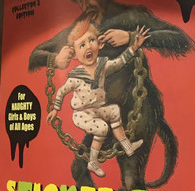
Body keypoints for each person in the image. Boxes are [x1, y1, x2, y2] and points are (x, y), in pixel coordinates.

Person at [29, 0, 195, 191]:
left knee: (132, 181)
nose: (87, 3)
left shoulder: (131, 16)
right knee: (79, 167)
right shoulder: (80, 30)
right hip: (103, 114)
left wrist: (132, 37)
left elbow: (181, 39)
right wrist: (55, 57)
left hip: (138, 110)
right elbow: (35, 54)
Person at [47, 20, 149, 177]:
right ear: (74, 55)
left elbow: (119, 62)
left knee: (114, 110)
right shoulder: (76, 76)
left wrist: (133, 48)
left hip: (97, 109)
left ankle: (127, 146)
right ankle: (93, 162)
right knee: (102, 128)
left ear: (100, 44)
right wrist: (55, 109)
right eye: (82, 45)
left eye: (91, 41)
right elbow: (61, 91)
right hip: (82, 114)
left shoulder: (103, 66)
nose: (88, 47)